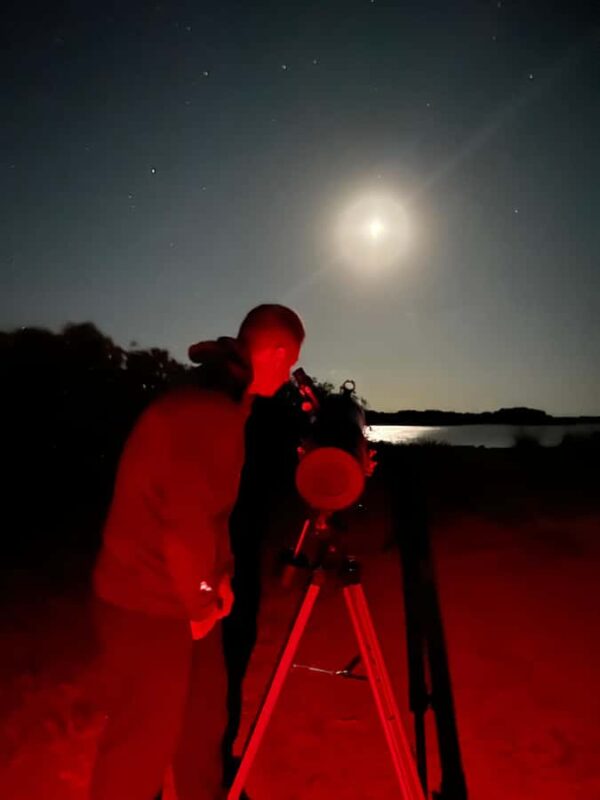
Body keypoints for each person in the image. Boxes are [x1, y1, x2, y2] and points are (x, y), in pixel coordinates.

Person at [90, 304, 305, 800]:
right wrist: (202, 600)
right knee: (138, 747)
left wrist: (220, 579)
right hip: (143, 603)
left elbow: (212, 515)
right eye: (291, 361)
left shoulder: (227, 401)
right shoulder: (206, 411)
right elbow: (184, 529)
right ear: (276, 352)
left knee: (203, 724)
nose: (290, 372)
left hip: (183, 598)